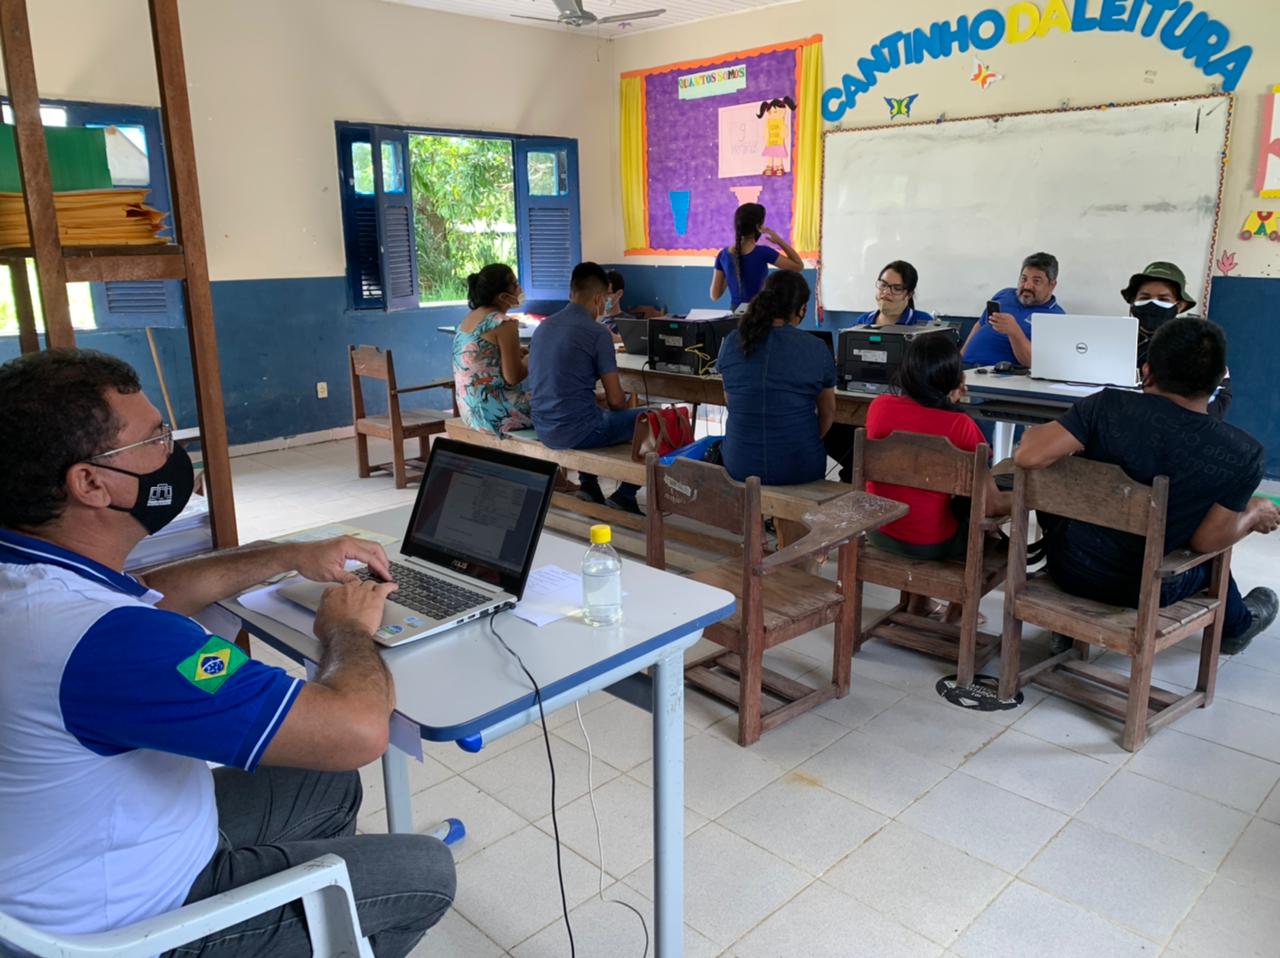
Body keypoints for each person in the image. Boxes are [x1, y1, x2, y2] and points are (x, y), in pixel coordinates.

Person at [0, 349, 454, 955]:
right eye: (155, 439)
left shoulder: (32, 578)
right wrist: (346, 628)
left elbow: (152, 598)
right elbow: (359, 731)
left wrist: (286, 555)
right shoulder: (110, 643)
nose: (172, 452)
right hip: (130, 922)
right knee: (424, 874)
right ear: (90, 484)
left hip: (89, 854)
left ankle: (312, 921)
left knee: (328, 787)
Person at [1014, 316, 1279, 655]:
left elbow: (1028, 455)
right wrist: (1254, 513)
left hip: (1067, 566)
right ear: (1218, 382)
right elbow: (1206, 541)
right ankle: (1238, 627)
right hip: (1147, 588)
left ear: (1147, 370)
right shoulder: (1244, 453)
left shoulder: (1105, 406)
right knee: (1212, 561)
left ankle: (1068, 630)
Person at [864, 334, 1011, 621]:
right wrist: (1023, 500)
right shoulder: (960, 425)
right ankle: (959, 610)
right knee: (989, 527)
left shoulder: (878, 407)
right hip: (933, 543)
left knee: (925, 500)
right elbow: (990, 505)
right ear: (953, 379)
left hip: (880, 532)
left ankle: (920, 603)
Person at [528, 262, 644, 514]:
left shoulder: (544, 326)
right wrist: (618, 407)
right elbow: (616, 401)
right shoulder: (598, 333)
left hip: (543, 426)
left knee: (590, 409)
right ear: (600, 299)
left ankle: (589, 485)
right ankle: (626, 494)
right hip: (577, 431)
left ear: (572, 293)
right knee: (655, 418)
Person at [718, 271, 835, 485]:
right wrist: (803, 441)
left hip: (739, 464)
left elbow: (730, 401)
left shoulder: (733, 341)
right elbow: (828, 414)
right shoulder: (817, 348)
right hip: (799, 466)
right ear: (802, 309)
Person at [1121, 259, 1231, 418]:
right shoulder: (1116, 338)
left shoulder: (1196, 342)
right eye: (1144, 297)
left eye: (1163, 299)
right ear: (1133, 302)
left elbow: (1215, 402)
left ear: (1180, 306)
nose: (1152, 304)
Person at [453, 263, 532, 435]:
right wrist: (533, 357)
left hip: (470, 412)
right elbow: (514, 376)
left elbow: (489, 358)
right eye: (514, 284)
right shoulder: (503, 323)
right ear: (502, 296)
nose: (519, 288)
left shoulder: (468, 320)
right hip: (496, 415)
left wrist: (520, 352)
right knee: (559, 404)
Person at [961, 252, 1065, 368]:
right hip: (965, 367)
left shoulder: (1056, 317)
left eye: (1036, 281)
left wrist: (1014, 332)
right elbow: (980, 325)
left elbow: (1036, 364)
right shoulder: (1005, 295)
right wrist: (959, 358)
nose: (1027, 286)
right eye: (1024, 279)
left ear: (1052, 285)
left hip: (996, 374)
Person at [710, 202, 803, 311]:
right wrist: (778, 240)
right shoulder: (763, 252)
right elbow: (798, 266)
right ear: (758, 227)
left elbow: (714, 296)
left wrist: (731, 273)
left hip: (734, 316)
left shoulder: (723, 255)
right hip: (758, 313)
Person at [853, 260, 934, 326]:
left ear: (909, 294)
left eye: (897, 288)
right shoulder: (863, 321)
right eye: (883, 285)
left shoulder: (924, 322)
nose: (886, 292)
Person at [600, 268, 631, 342]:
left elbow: (632, 342)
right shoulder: (597, 318)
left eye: (607, 293)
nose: (602, 298)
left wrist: (615, 338)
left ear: (619, 294)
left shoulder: (627, 322)